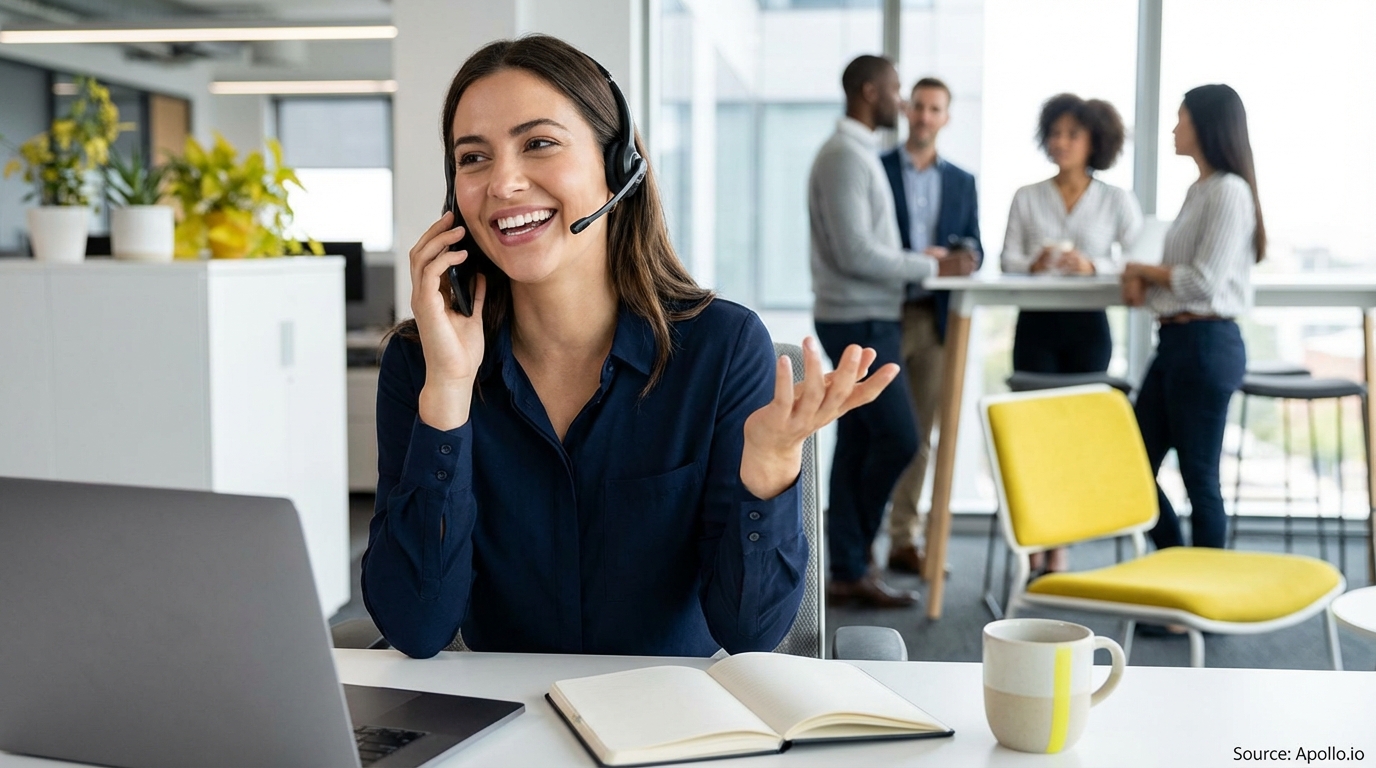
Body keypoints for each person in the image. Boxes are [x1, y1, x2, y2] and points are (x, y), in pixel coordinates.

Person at [362, 35, 899, 659]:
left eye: (538, 144)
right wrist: (448, 395)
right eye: (473, 158)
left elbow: (750, 633)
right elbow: (416, 628)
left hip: (671, 728)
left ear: (618, 166)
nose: (503, 182)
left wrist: (773, 463)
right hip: (508, 730)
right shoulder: (422, 362)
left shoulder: (722, 349)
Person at [809, 55, 975, 608]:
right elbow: (857, 253)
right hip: (859, 315)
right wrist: (931, 266)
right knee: (900, 438)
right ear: (867, 91)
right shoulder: (845, 158)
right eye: (896, 91)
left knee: (859, 440)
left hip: (869, 312)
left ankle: (848, 566)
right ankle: (852, 556)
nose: (902, 104)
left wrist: (919, 258)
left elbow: (868, 245)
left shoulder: (855, 154)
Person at [1000, 94, 1141, 574]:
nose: (1060, 142)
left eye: (1072, 135)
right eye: (1055, 133)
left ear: (1093, 142)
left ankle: (1061, 544)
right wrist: (1032, 264)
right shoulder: (1027, 195)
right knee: (1033, 434)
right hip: (1036, 324)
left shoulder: (1115, 200)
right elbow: (1007, 261)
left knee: (1074, 436)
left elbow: (1137, 258)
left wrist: (1094, 265)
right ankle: (1034, 540)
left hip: (1089, 326)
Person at [1122, 84, 1263, 551]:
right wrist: (1149, 279)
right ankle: (1177, 571)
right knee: (1133, 464)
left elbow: (1203, 282)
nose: (1174, 128)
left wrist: (1144, 270)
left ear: (1204, 125)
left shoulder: (1229, 192)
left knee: (1199, 476)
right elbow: (1182, 281)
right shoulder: (1198, 189)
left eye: (1181, 118)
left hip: (1207, 345)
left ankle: (1202, 602)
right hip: (1177, 344)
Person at [878, 77, 982, 577]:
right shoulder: (877, 171)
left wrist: (961, 257)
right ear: (906, 110)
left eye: (934, 109)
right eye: (917, 106)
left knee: (922, 433)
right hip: (885, 314)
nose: (923, 116)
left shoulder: (962, 181)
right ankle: (855, 547)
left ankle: (904, 538)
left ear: (946, 117)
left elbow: (975, 248)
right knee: (878, 431)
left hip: (937, 321)